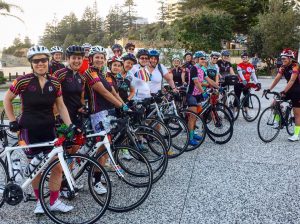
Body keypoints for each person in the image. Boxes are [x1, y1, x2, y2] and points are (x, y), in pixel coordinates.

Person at [3, 45, 75, 214]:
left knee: (56, 167)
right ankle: (40, 203)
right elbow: (7, 99)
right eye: (36, 61)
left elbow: (61, 106)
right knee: (36, 169)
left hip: (49, 129)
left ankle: (54, 201)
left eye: (43, 60)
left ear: (48, 61)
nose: (40, 63)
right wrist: (13, 120)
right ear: (31, 63)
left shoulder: (55, 82)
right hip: (29, 130)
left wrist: (70, 125)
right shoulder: (23, 80)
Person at [84, 45, 128, 194]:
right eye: (97, 57)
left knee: (104, 147)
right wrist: (120, 106)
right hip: (97, 113)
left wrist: (124, 105)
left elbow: (113, 92)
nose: (99, 60)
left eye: (102, 57)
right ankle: (95, 181)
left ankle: (98, 174)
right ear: (91, 59)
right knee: (102, 147)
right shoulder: (90, 73)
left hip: (107, 111)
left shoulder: (102, 73)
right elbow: (102, 91)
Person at [186, 51, 221, 146]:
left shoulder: (202, 69)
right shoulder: (193, 68)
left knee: (198, 115)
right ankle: (190, 137)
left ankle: (193, 133)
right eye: (201, 58)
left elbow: (209, 81)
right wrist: (204, 92)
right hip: (191, 95)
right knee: (193, 116)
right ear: (196, 59)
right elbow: (196, 83)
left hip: (198, 95)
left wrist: (218, 87)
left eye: (204, 58)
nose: (203, 60)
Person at [265, 48, 300, 142]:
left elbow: (292, 80)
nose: (283, 60)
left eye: (285, 58)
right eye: (282, 58)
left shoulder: (295, 66)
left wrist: (284, 91)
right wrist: (269, 89)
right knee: (275, 102)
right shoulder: (283, 67)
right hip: (290, 89)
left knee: (297, 114)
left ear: (290, 58)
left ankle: (296, 135)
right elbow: (277, 79)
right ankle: (278, 121)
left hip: (298, 90)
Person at [234, 51, 261, 119]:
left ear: (248, 58)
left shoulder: (251, 66)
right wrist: (243, 80)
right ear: (241, 58)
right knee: (237, 97)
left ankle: (246, 113)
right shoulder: (239, 65)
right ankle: (234, 113)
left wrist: (257, 82)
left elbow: (253, 75)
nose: (244, 58)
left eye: (246, 57)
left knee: (247, 97)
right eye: (243, 57)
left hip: (246, 84)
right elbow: (240, 73)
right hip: (239, 83)